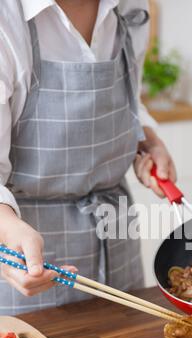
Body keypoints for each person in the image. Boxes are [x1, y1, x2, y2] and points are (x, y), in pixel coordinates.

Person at [0, 0, 177, 315]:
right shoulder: (7, 19)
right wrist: (5, 226)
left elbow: (128, 95)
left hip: (117, 236)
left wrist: (144, 138)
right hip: (29, 253)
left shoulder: (130, 6)